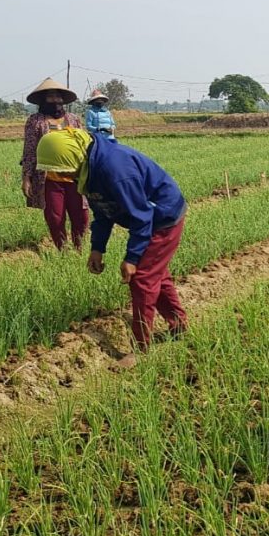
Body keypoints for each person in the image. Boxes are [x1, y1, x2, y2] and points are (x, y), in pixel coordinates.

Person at [35, 129, 189, 367]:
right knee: (156, 275)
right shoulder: (88, 168)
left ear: (74, 158)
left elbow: (143, 216)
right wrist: (97, 247)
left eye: (63, 170)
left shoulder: (115, 170)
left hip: (163, 218)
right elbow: (103, 210)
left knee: (143, 279)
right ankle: (179, 326)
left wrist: (132, 257)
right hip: (147, 216)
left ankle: (141, 349)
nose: (64, 176)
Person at [21, 77, 87, 250]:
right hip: (50, 179)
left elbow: (85, 144)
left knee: (81, 215)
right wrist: (26, 178)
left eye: (58, 97)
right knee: (55, 217)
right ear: (43, 100)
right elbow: (29, 150)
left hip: (76, 178)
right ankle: (62, 250)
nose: (55, 100)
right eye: (51, 97)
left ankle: (80, 248)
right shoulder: (35, 121)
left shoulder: (73, 119)